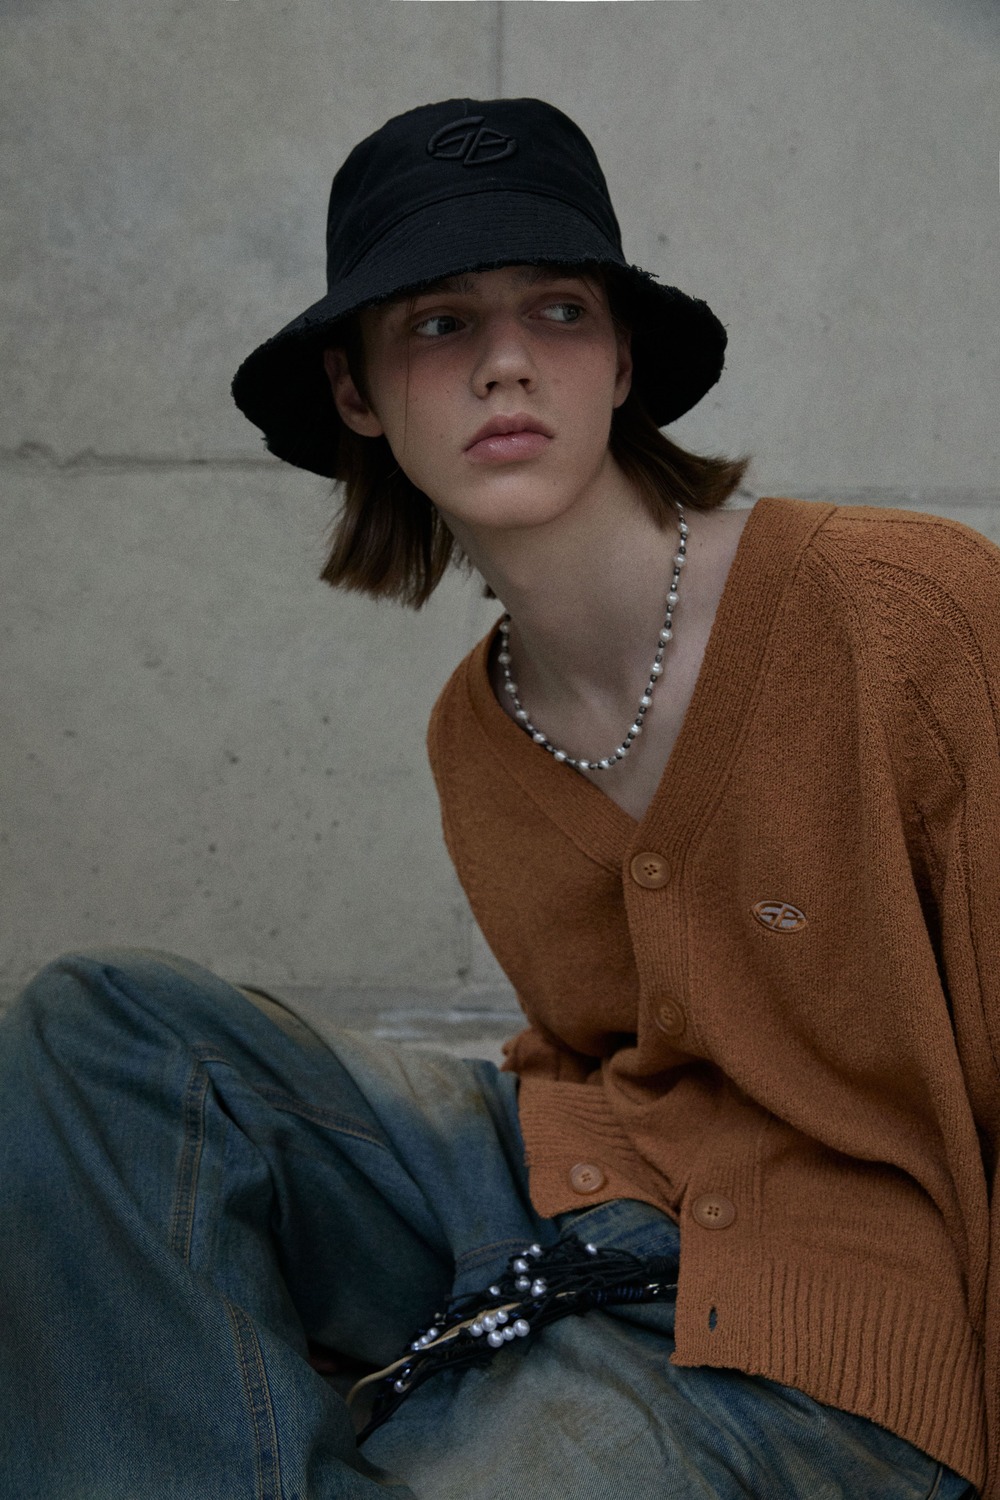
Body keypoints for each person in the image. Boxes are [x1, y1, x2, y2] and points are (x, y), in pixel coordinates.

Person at [0, 96, 992, 1499]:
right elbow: (597, 1049)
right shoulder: (482, 726)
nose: (507, 361)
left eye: (559, 311)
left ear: (623, 360)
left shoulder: (902, 611)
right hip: (580, 1194)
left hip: (833, 1332)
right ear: (357, 391)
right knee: (101, 1027)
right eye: (439, 322)